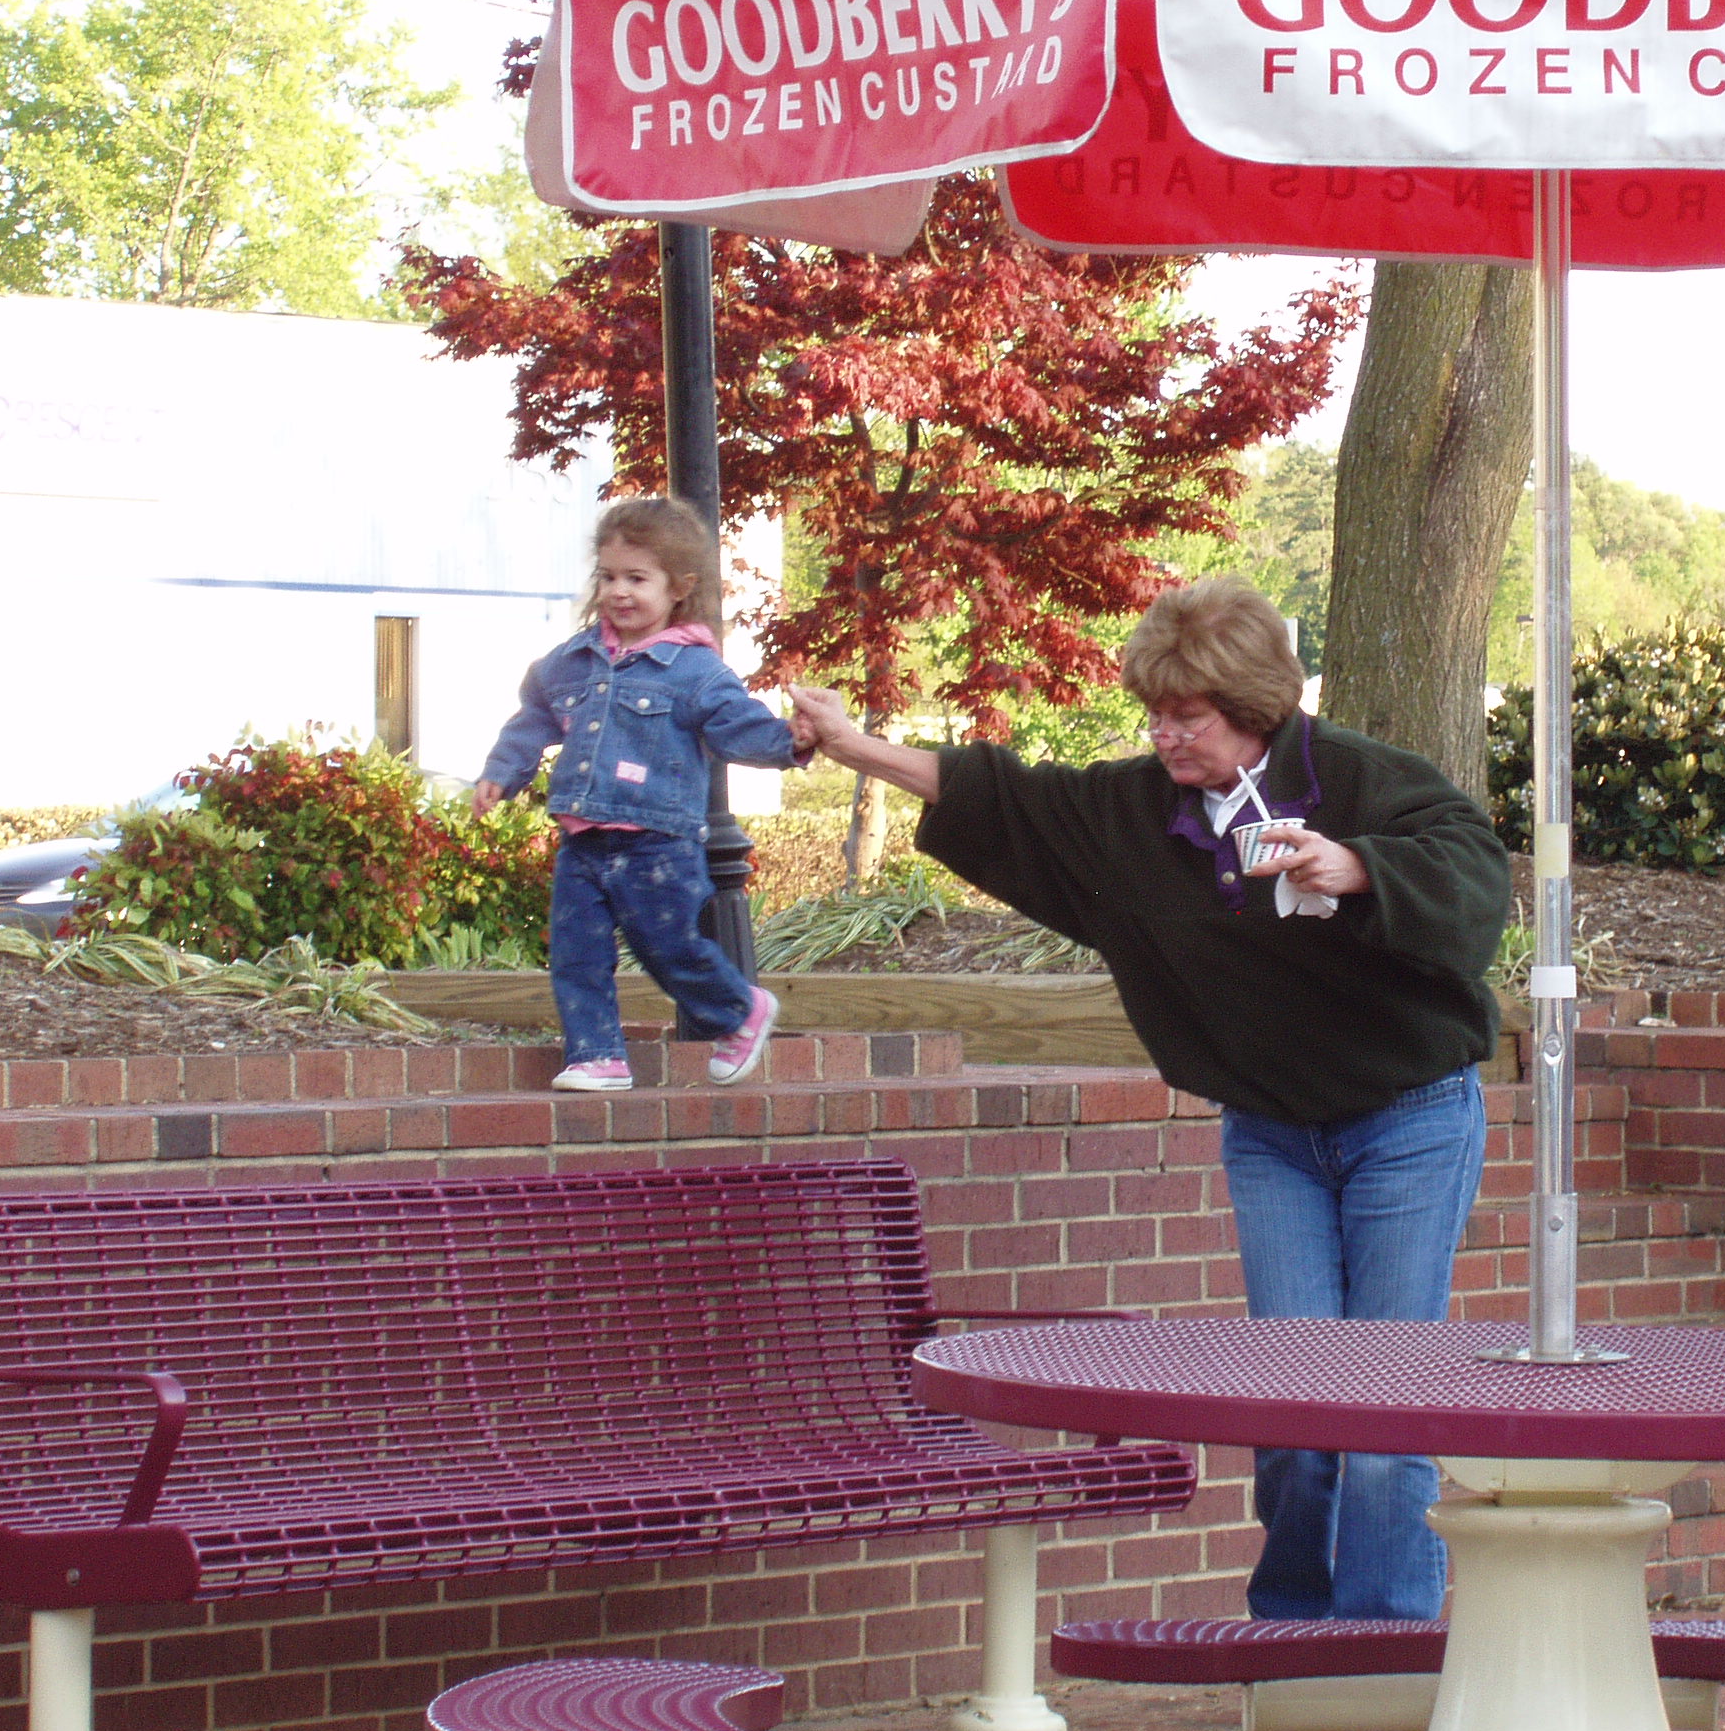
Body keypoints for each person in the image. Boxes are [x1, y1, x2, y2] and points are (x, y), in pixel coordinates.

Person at [787, 573, 1509, 1626]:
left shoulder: (1361, 778)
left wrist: (1356, 867)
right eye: (1155, 716)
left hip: (1408, 1120)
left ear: (1253, 709)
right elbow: (1004, 797)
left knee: (1385, 1398)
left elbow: (1469, 871)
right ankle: (1293, 1640)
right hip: (1272, 1132)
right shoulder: (1133, 813)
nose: (1166, 736)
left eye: (1190, 717)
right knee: (1294, 1406)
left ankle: (1384, 1647)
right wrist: (855, 747)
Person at [476, 498, 803, 1093]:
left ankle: (740, 1010)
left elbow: (738, 725)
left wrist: (792, 741)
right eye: (608, 577)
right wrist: (503, 771)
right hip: (583, 841)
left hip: (659, 844)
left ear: (679, 588)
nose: (619, 592)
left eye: (637, 578)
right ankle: (597, 1055)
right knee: (575, 954)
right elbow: (534, 717)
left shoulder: (694, 671)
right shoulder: (573, 662)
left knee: (667, 948)